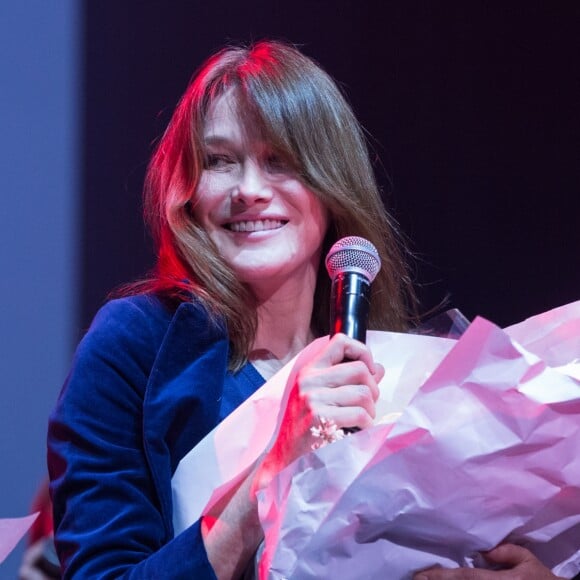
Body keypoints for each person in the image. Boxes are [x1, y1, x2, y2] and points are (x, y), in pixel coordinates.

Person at [47, 40, 569, 579]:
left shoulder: (401, 369)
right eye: (220, 161)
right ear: (188, 191)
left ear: (331, 186)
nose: (249, 190)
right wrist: (272, 471)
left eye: (281, 162)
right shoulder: (136, 345)